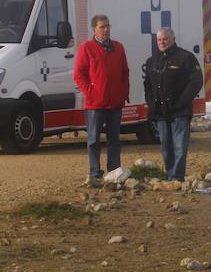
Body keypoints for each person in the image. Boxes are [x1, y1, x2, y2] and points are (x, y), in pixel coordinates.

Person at [73, 14, 130, 185]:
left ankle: (114, 170)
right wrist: (90, 92)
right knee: (93, 139)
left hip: (115, 102)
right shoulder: (87, 48)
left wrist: (124, 92)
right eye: (102, 27)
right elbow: (79, 74)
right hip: (95, 104)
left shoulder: (118, 47)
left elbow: (124, 72)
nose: (106, 29)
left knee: (114, 139)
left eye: (107, 26)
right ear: (94, 30)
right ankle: (95, 171)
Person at [144, 27, 203, 181]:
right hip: (160, 113)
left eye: (165, 39)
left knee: (179, 147)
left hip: (179, 112)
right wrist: (151, 103)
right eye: (159, 40)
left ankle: (177, 177)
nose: (162, 42)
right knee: (165, 147)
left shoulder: (185, 57)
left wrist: (182, 101)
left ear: (173, 39)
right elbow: (148, 85)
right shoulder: (153, 60)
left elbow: (196, 81)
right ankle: (170, 175)